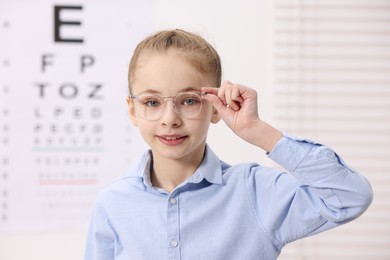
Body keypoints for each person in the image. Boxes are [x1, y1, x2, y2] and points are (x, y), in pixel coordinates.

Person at [84, 29, 373, 260]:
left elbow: (350, 196)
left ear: (214, 108)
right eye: (152, 102)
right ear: (133, 110)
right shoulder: (112, 204)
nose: (169, 119)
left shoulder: (255, 192)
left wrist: (256, 130)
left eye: (188, 101)